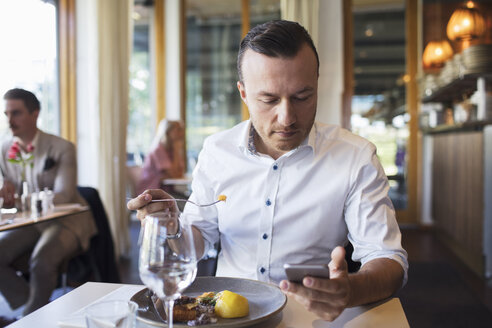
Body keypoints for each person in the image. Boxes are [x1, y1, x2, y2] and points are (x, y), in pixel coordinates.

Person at [128, 20, 408, 322]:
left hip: (309, 316)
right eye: (269, 99)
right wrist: (171, 227)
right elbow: (199, 240)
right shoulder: (216, 151)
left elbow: (388, 259)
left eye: (302, 97)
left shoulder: (355, 157)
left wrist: (350, 290)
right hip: (223, 316)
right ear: (244, 93)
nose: (287, 118)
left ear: (316, 85)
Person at [0, 88, 97, 316]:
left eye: (16, 113)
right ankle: (30, 309)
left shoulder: (62, 148)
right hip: (30, 222)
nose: (10, 121)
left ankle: (31, 318)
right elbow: (8, 195)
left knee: (42, 259)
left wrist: (20, 199)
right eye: (6, 114)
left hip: (67, 221)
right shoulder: (4, 150)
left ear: (35, 114)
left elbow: (63, 195)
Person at [136, 119, 185, 196]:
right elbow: (173, 173)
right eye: (178, 130)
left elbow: (180, 172)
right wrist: (176, 150)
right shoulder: (158, 150)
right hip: (150, 194)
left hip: (166, 192)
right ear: (168, 132)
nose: (181, 133)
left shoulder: (171, 150)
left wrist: (176, 150)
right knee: (186, 204)